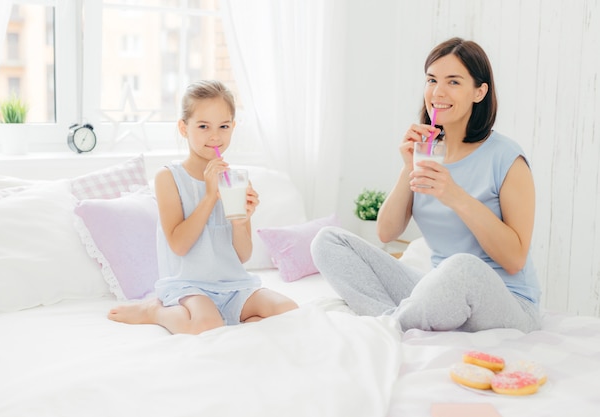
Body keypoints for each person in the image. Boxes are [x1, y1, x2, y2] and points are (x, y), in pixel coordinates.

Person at [311, 37, 541, 333]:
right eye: (432, 80)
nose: (438, 92)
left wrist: (455, 195)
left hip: (507, 301)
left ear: (479, 92)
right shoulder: (427, 151)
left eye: (454, 82)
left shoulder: (507, 159)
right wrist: (409, 167)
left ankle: (388, 328)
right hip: (439, 291)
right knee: (328, 241)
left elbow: (514, 260)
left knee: (461, 267)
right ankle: (395, 321)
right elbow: (386, 232)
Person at [108, 80, 298, 334]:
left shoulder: (238, 181)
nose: (215, 136)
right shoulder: (168, 178)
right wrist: (209, 196)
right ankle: (155, 311)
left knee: (290, 312)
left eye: (223, 126)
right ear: (183, 128)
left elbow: (242, 255)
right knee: (206, 325)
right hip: (189, 286)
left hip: (234, 284)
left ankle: (237, 321)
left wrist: (241, 222)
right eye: (203, 126)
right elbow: (179, 245)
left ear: (233, 127)